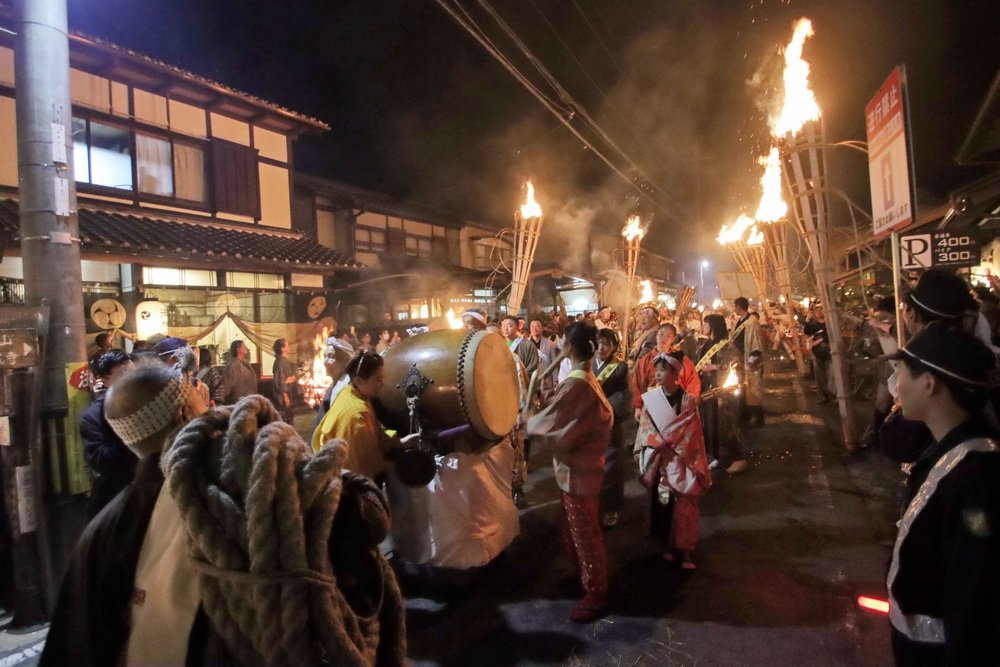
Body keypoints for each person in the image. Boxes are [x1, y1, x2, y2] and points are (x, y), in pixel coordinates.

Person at [43, 363, 406, 666]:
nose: (207, 395)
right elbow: (370, 522)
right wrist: (339, 482)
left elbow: (75, 643)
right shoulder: (263, 486)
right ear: (184, 413)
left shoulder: (106, 530)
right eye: (195, 391)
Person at [885, 322, 1000, 664]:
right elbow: (892, 441)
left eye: (901, 374)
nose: (897, 386)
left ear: (929, 383)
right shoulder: (946, 449)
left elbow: (975, 601)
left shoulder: (977, 477)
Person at [527, 321, 613, 622]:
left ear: (567, 346)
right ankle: (581, 575)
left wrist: (529, 421)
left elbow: (555, 422)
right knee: (572, 527)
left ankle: (596, 591)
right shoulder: (583, 377)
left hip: (580, 470)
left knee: (585, 532)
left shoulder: (578, 383)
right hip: (577, 468)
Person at [634, 351, 712, 570]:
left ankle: (686, 550)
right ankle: (668, 545)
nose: (658, 374)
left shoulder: (687, 400)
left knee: (685, 504)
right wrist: (659, 445)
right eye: (656, 370)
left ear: (676, 372)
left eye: (663, 370)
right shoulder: (651, 399)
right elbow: (646, 428)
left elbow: (691, 431)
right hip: (662, 458)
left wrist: (669, 445)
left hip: (681, 458)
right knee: (664, 503)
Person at [312, 352, 411, 479]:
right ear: (359, 381)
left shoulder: (354, 393)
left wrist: (402, 442)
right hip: (346, 482)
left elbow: (377, 435)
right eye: (378, 380)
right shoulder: (356, 414)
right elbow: (363, 467)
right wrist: (394, 466)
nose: (382, 384)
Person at [80, 349, 135, 517]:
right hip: (117, 498)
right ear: (105, 380)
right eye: (123, 374)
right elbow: (100, 459)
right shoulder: (93, 417)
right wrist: (133, 434)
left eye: (134, 372)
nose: (132, 380)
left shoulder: (151, 402)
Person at [697, 314, 748, 474]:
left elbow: (736, 365)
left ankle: (738, 458)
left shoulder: (727, 346)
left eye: (705, 324)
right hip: (708, 391)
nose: (703, 327)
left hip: (723, 394)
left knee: (726, 425)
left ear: (713, 326)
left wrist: (715, 368)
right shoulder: (706, 344)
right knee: (711, 426)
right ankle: (719, 457)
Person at [594, 328, 631, 527]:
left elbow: (624, 396)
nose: (602, 348)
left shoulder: (620, 367)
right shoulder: (587, 365)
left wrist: (606, 413)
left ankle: (611, 508)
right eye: (599, 343)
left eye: (607, 344)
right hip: (589, 425)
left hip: (609, 423)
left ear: (614, 347)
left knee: (611, 466)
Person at [630, 323, 700, 421]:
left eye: (668, 336)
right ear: (656, 335)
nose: (664, 338)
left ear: (674, 338)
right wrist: (637, 406)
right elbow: (636, 383)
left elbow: (693, 382)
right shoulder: (645, 360)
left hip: (676, 406)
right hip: (650, 406)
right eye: (661, 334)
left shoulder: (682, 360)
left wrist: (687, 403)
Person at [732, 297, 765, 425]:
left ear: (739, 307)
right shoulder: (737, 322)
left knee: (754, 390)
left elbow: (756, 342)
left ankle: (758, 417)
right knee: (742, 390)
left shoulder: (752, 322)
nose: (734, 309)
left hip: (750, 361)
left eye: (735, 307)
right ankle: (745, 415)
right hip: (739, 361)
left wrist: (752, 359)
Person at [312, 337, 355, 432]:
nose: (325, 362)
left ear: (346, 361)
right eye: (325, 357)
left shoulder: (349, 389)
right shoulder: (335, 385)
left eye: (330, 357)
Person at [216, 339, 257, 405]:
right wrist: (219, 400)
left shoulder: (246, 362)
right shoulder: (233, 365)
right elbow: (227, 385)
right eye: (244, 346)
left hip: (250, 400)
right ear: (238, 349)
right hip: (239, 402)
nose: (246, 348)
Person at [272, 338, 297, 422]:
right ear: (282, 349)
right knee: (285, 418)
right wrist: (285, 397)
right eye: (287, 345)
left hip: (288, 394)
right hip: (282, 398)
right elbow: (280, 381)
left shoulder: (284, 361)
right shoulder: (279, 362)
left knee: (289, 417)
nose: (289, 347)